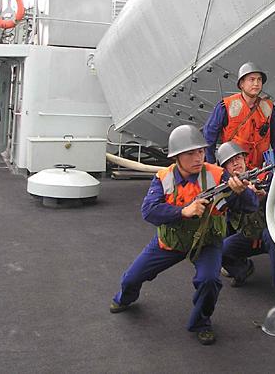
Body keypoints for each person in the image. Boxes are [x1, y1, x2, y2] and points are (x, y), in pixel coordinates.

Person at [109, 125, 258, 345]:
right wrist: (183, 211)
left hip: (207, 241)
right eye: (190, 153)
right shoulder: (164, 178)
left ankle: (201, 322)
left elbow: (249, 206)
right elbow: (148, 211)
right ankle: (125, 299)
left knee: (209, 281)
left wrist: (241, 192)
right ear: (176, 157)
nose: (198, 157)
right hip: (171, 241)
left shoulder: (218, 175)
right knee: (132, 277)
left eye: (201, 151)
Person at [217, 141, 275, 304]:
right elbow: (229, 222)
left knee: (272, 238)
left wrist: (264, 196)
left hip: (273, 233)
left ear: (245, 159)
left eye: (238, 158)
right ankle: (243, 270)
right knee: (219, 249)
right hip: (249, 236)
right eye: (230, 162)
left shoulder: (265, 177)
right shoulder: (226, 191)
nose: (235, 163)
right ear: (224, 169)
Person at [203, 61, 275, 169]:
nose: (256, 83)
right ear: (241, 84)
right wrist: (212, 163)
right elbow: (209, 135)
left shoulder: (269, 108)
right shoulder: (225, 106)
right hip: (234, 169)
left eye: (259, 79)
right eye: (252, 79)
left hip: (258, 170)